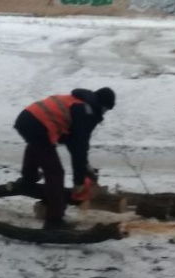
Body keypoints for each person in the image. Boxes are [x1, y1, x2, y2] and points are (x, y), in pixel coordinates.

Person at [14, 87, 115, 230]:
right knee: (55, 172)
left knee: (36, 145)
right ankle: (54, 221)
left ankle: (28, 180)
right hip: (37, 125)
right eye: (106, 110)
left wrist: (86, 168)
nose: (104, 113)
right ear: (102, 105)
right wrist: (79, 181)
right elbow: (78, 148)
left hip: (27, 118)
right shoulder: (87, 112)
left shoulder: (78, 103)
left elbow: (73, 142)